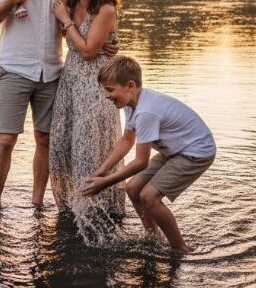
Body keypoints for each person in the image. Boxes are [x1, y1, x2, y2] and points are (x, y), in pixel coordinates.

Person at [0, 0, 117, 209]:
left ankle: (37, 204)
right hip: (15, 69)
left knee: (45, 140)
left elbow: (79, 23)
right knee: (6, 139)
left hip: (52, 73)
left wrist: (104, 43)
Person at [80, 55, 216, 252]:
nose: (106, 96)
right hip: (174, 150)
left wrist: (106, 182)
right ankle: (153, 237)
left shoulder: (146, 112)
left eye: (110, 90)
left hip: (195, 152)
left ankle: (179, 248)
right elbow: (127, 140)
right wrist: (102, 171)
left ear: (130, 85)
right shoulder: (131, 104)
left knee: (149, 196)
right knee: (133, 189)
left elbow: (141, 162)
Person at [49, 0, 125, 240]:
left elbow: (90, 50)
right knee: (61, 146)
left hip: (95, 88)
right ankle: (70, 212)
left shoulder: (105, 9)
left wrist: (66, 20)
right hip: (70, 84)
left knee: (87, 151)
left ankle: (95, 215)